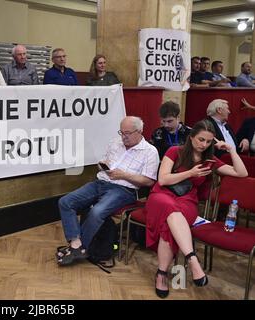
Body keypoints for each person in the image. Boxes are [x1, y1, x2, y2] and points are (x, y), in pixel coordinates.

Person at [146, 120, 248, 299]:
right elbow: (162, 180)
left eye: (208, 142)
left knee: (169, 225)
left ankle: (162, 274)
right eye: (201, 139)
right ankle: (192, 259)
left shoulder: (210, 160)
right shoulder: (174, 151)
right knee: (170, 209)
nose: (204, 144)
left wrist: (231, 150)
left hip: (188, 201)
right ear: (191, 137)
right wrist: (190, 173)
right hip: (162, 195)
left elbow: (242, 173)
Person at [56, 116, 159, 265]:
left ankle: (80, 246)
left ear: (140, 131)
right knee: (65, 202)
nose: (124, 137)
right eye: (121, 132)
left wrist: (123, 175)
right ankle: (76, 244)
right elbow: (102, 162)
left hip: (124, 190)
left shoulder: (150, 151)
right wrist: (102, 165)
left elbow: (149, 181)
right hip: (101, 182)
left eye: (128, 133)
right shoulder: (115, 142)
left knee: (97, 212)